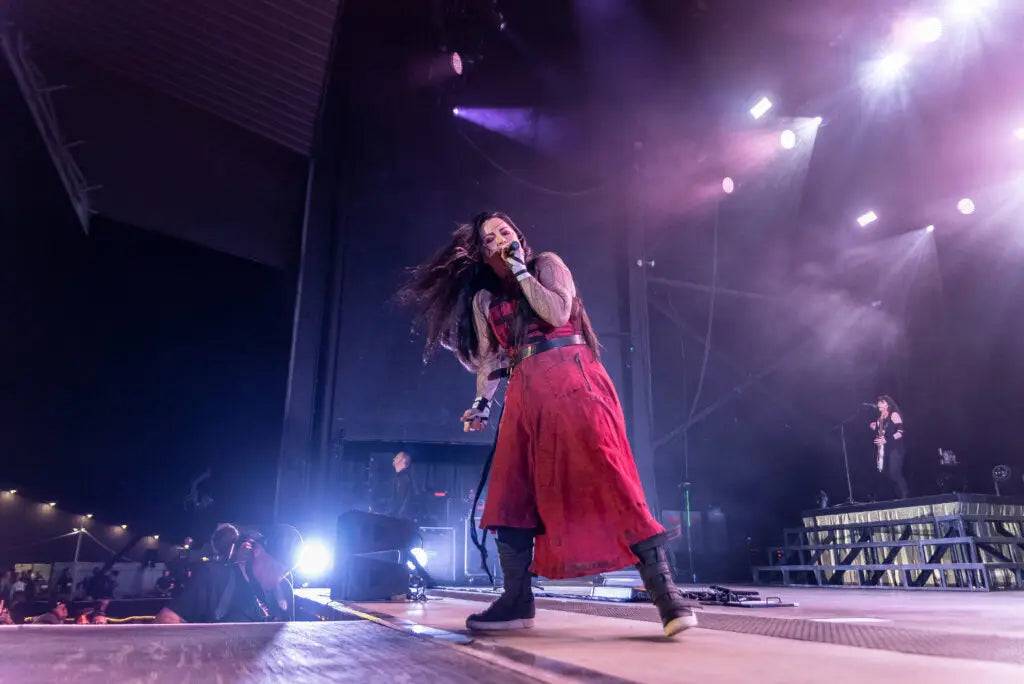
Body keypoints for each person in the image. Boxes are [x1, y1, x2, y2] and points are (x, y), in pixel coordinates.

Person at [398, 211, 696, 636]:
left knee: (612, 480)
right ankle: (517, 601)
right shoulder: (485, 300)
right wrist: (482, 403)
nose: (499, 237)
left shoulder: (547, 265)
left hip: (573, 378)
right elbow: (489, 359)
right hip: (524, 391)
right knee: (509, 493)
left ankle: (667, 598)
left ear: (518, 235)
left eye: (504, 230)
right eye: (489, 238)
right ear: (483, 254)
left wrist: (519, 268)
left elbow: (556, 313)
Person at [154, 524, 302, 624]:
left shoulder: (285, 589)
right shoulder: (213, 578)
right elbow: (165, 620)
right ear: (257, 551)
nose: (279, 577)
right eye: (276, 567)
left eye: (286, 571)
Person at [870, 395, 908, 499]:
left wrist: (886, 440)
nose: (879, 404)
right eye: (878, 402)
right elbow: (881, 432)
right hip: (885, 450)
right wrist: (874, 427)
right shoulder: (880, 419)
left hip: (896, 449)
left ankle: (904, 495)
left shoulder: (894, 415)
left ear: (888, 404)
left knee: (894, 472)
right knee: (886, 474)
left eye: (882, 402)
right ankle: (897, 496)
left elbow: (900, 432)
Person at [388, 451, 419, 519]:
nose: (394, 459)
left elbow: (399, 499)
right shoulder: (400, 477)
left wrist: (393, 515)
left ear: (404, 462)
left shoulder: (403, 478)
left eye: (397, 457)